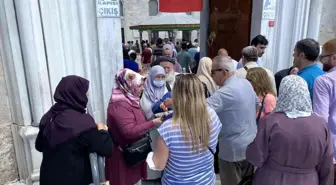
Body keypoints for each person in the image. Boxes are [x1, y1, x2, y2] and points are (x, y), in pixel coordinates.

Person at [246, 75, 334, 185]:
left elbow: (256, 157)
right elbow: (327, 163)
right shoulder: (321, 125)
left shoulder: (270, 122)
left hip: (271, 178)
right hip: (308, 179)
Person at [36, 75, 113, 185]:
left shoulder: (49, 117)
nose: (87, 97)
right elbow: (107, 148)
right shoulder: (83, 123)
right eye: (85, 94)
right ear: (76, 95)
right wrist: (102, 130)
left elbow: (39, 146)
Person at [146, 74, 222, 184]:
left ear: (175, 95)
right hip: (206, 180)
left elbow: (158, 165)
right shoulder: (211, 114)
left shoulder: (167, 129)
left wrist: (150, 156)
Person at [105, 69, 163, 185]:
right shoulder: (119, 104)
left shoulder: (129, 99)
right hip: (124, 157)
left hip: (133, 153)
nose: (142, 88)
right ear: (128, 85)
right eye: (139, 85)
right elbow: (129, 131)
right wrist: (153, 123)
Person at [207, 56, 258, 185]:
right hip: (251, 144)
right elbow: (257, 103)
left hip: (232, 150)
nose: (211, 75)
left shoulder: (224, 92)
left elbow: (199, 109)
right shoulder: (245, 83)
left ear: (224, 72)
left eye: (213, 72)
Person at [313, 39, 336, 160]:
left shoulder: (324, 81)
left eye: (323, 57)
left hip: (331, 146)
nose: (321, 61)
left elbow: (320, 118)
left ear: (334, 58)